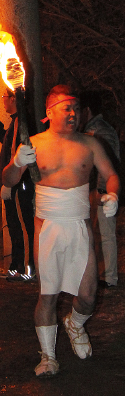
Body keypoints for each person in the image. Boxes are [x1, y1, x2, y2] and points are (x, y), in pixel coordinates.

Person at [2, 85, 120, 378]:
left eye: (76, 109)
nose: (72, 113)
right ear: (49, 113)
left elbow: (112, 175)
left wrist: (113, 195)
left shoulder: (90, 144)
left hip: (78, 224)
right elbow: (7, 178)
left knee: (89, 293)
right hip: (47, 226)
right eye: (66, 108)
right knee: (48, 294)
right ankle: (48, 355)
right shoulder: (34, 144)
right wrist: (18, 162)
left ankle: (75, 324)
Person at [0, 90, 35, 281]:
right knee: (14, 225)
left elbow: (18, 155)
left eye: (5, 98)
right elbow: (7, 143)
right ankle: (17, 265)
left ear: (14, 99)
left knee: (22, 225)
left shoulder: (23, 121)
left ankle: (27, 269)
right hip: (14, 184)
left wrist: (11, 184)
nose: (3, 101)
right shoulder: (16, 120)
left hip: (20, 185)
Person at [80, 91, 121, 288]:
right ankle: (103, 274)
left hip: (102, 191)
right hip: (96, 190)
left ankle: (109, 277)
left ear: (87, 110)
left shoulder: (99, 131)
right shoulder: (95, 129)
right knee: (98, 234)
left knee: (106, 234)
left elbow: (110, 163)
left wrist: (104, 191)